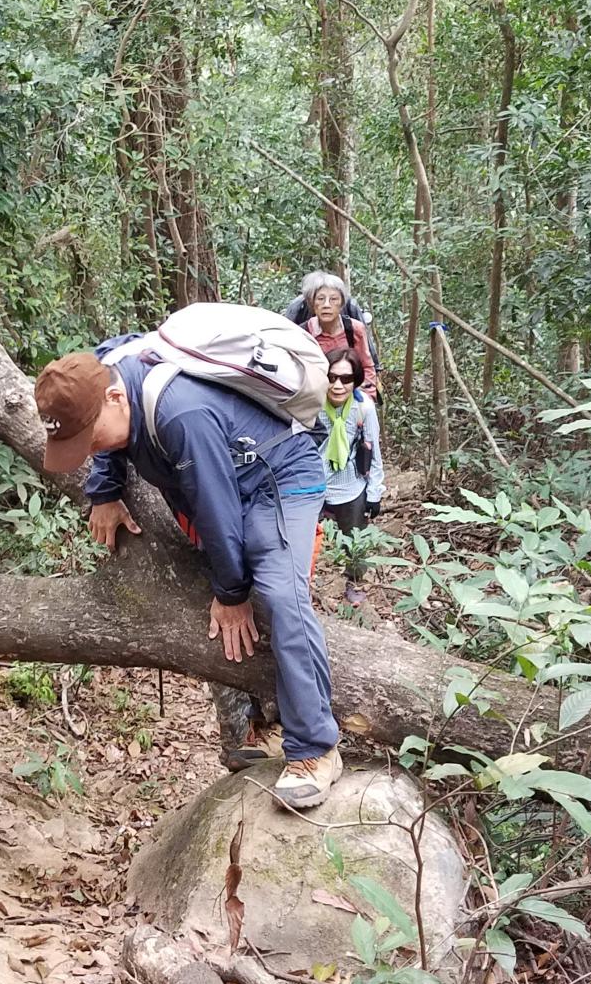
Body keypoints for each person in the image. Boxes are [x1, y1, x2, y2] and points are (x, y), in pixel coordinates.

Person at [33, 343, 345, 809]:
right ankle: (258, 728)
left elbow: (217, 509)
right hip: (228, 479)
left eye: (89, 439)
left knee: (280, 595)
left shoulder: (181, 414)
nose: (89, 450)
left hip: (277, 476)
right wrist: (104, 490)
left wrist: (232, 593)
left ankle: (315, 748)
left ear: (115, 399)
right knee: (217, 599)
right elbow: (104, 429)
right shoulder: (105, 375)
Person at [318, 346, 384, 607]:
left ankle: (354, 583)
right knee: (304, 538)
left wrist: (374, 493)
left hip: (351, 485)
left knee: (355, 541)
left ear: (355, 380)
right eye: (332, 377)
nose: (337, 385)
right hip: (314, 483)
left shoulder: (363, 407)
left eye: (345, 379)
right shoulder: (312, 403)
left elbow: (373, 450)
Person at [299, 271, 379, 400]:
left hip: (349, 396)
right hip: (316, 399)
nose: (326, 305)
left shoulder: (354, 329)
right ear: (312, 303)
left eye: (333, 299)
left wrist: (367, 398)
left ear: (341, 303)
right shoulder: (304, 333)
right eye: (320, 299)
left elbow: (367, 366)